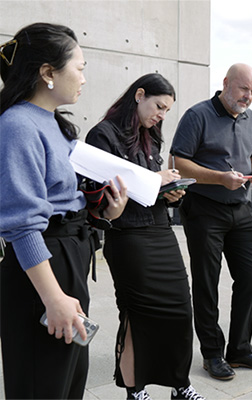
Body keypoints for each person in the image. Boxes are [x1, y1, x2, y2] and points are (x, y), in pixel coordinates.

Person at [0, 23, 127, 399]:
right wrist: (53, 297)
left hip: (67, 256)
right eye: (80, 67)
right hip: (42, 264)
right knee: (44, 382)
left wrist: (107, 212)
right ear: (47, 72)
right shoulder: (18, 125)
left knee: (67, 378)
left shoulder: (54, 124)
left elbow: (65, 200)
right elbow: (23, 224)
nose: (84, 78)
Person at [86, 74, 204, 400]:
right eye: (159, 106)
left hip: (159, 230)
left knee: (181, 311)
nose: (161, 115)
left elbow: (151, 189)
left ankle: (180, 384)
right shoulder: (103, 134)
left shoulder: (151, 135)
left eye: (166, 110)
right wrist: (155, 179)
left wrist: (170, 192)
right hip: (128, 236)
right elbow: (103, 190)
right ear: (139, 95)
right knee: (136, 317)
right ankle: (135, 391)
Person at [170, 63, 252, 381]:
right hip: (204, 208)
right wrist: (220, 178)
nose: (248, 96)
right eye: (244, 89)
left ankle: (240, 349)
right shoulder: (197, 115)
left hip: (240, 208)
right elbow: (179, 163)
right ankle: (212, 353)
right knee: (207, 282)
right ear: (226, 83)